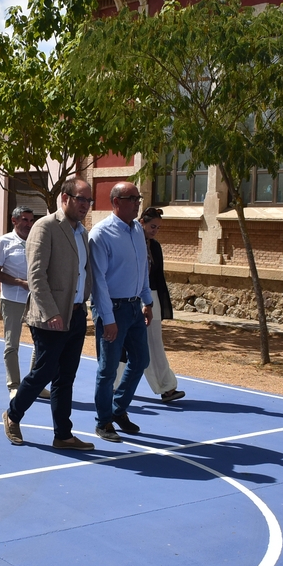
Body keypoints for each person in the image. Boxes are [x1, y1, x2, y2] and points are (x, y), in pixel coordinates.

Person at [2, 178, 95, 451]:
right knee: (44, 372)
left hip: (76, 314)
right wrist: (51, 312)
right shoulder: (45, 227)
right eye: (81, 199)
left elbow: (84, 271)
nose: (85, 205)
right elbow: (36, 276)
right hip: (50, 317)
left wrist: (85, 301)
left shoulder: (82, 233)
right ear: (65, 198)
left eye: (89, 201)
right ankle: (13, 415)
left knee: (66, 377)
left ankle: (63, 435)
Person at [88, 182, 152, 443]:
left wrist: (147, 301)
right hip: (112, 308)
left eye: (138, 198)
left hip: (135, 307)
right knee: (108, 368)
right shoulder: (101, 234)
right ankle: (103, 421)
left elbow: (142, 268)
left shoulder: (136, 229)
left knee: (141, 360)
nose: (138, 203)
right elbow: (98, 281)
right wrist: (108, 319)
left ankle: (118, 409)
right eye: (132, 198)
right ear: (116, 202)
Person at [0, 206, 48, 400]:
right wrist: (20, 283)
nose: (28, 224)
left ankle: (34, 385)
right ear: (14, 221)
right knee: (12, 344)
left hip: (36, 300)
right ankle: (14, 386)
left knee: (40, 344)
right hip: (12, 300)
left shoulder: (38, 241)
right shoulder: (3, 242)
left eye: (31, 220)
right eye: (24, 220)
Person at [138, 206, 185, 403]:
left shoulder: (155, 246)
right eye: (152, 226)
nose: (155, 231)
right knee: (122, 344)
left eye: (158, 227)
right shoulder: (130, 242)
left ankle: (166, 387)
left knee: (154, 343)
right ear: (142, 222)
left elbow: (158, 277)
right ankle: (113, 387)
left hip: (152, 296)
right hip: (130, 296)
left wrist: (153, 302)